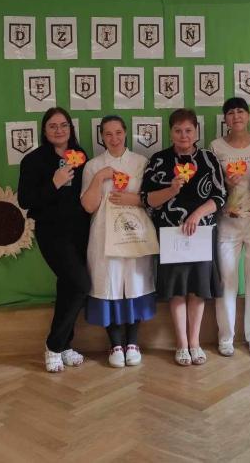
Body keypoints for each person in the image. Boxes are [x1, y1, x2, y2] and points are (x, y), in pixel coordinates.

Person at [140, 108, 226, 366]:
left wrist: (197, 215)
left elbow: (220, 196)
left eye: (188, 130)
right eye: (178, 130)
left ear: (196, 132)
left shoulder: (209, 159)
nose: (183, 135)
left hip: (201, 233)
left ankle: (195, 343)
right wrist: (171, 189)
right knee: (177, 290)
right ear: (170, 133)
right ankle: (181, 344)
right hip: (170, 234)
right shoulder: (159, 160)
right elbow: (147, 199)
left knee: (198, 289)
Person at [17, 107, 91, 373]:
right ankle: (53, 345)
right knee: (81, 283)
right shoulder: (33, 160)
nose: (59, 130)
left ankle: (66, 344)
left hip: (81, 231)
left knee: (68, 286)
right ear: (44, 130)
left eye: (64, 125)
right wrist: (54, 183)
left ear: (70, 128)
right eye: (53, 126)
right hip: (52, 232)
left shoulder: (81, 156)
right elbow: (25, 200)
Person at [80, 115, 156, 368]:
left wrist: (134, 199)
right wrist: (99, 177)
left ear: (126, 133)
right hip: (103, 236)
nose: (114, 138)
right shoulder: (93, 165)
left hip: (134, 234)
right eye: (108, 134)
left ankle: (132, 342)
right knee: (109, 284)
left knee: (134, 283)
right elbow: (88, 206)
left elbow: (150, 198)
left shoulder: (141, 163)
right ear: (102, 137)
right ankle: (115, 344)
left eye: (118, 132)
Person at [210, 97, 250, 357]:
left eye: (240, 111)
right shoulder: (215, 147)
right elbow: (210, 184)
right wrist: (226, 181)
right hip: (227, 221)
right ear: (225, 119)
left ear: (249, 116)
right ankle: (226, 337)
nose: (236, 116)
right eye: (231, 113)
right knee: (227, 279)